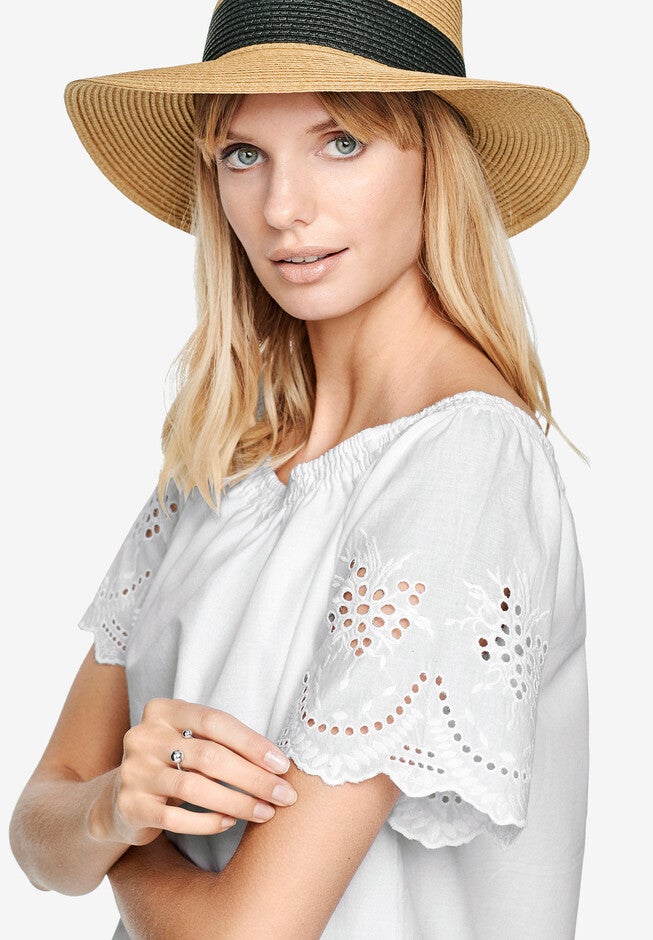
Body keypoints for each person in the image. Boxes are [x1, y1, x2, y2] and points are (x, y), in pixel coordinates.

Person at [9, 1, 590, 937]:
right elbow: (38, 827)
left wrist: (122, 840)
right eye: (244, 154)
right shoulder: (223, 459)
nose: (283, 207)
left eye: (341, 142)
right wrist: (111, 804)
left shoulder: (464, 461)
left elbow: (247, 931)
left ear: (435, 160)